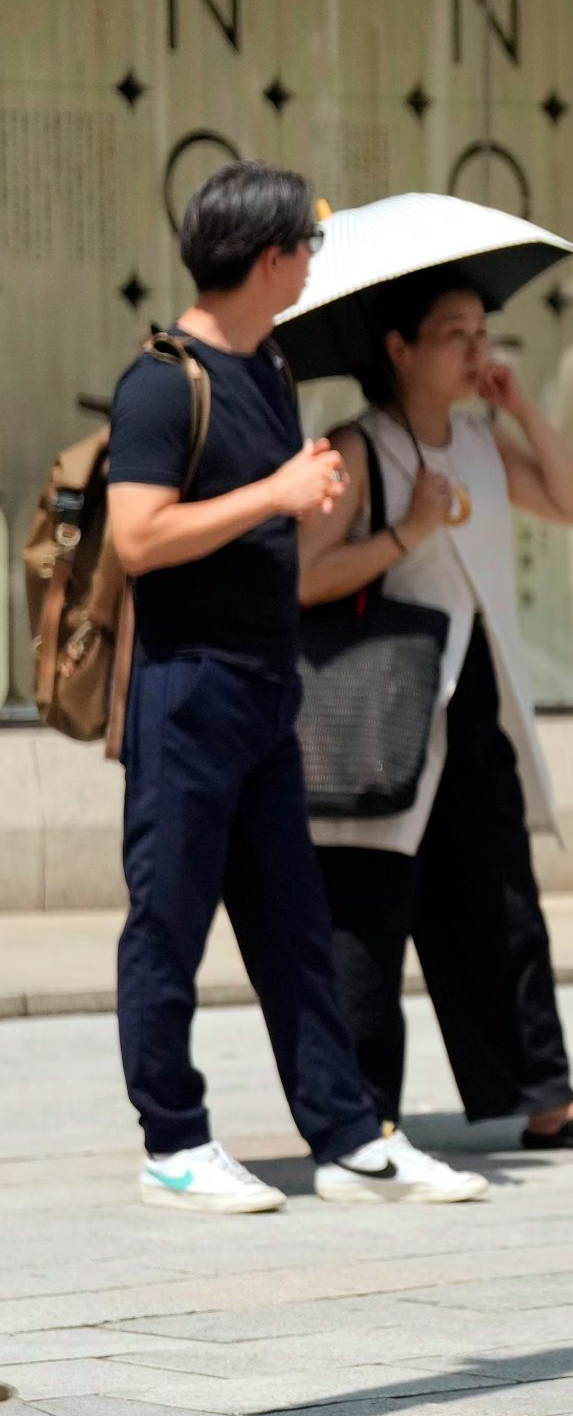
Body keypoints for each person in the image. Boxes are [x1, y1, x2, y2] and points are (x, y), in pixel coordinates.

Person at [105, 160, 486, 1212]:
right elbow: (137, 536)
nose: (315, 265)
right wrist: (274, 492)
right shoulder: (161, 382)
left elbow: (256, 516)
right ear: (270, 259)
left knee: (294, 925)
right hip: (187, 691)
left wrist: (297, 494)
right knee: (168, 920)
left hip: (271, 690)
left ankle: (348, 1136)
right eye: (308, 248)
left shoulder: (267, 369)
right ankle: (173, 1140)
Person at [299, 270, 573, 1151]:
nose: (475, 348)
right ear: (399, 350)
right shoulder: (356, 447)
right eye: (453, 333)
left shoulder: (483, 444)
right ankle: (362, 1108)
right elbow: (300, 577)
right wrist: (405, 535)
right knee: (369, 911)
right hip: (384, 705)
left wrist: (522, 405)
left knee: (503, 900)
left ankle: (546, 1096)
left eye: (480, 331)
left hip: (477, 699)